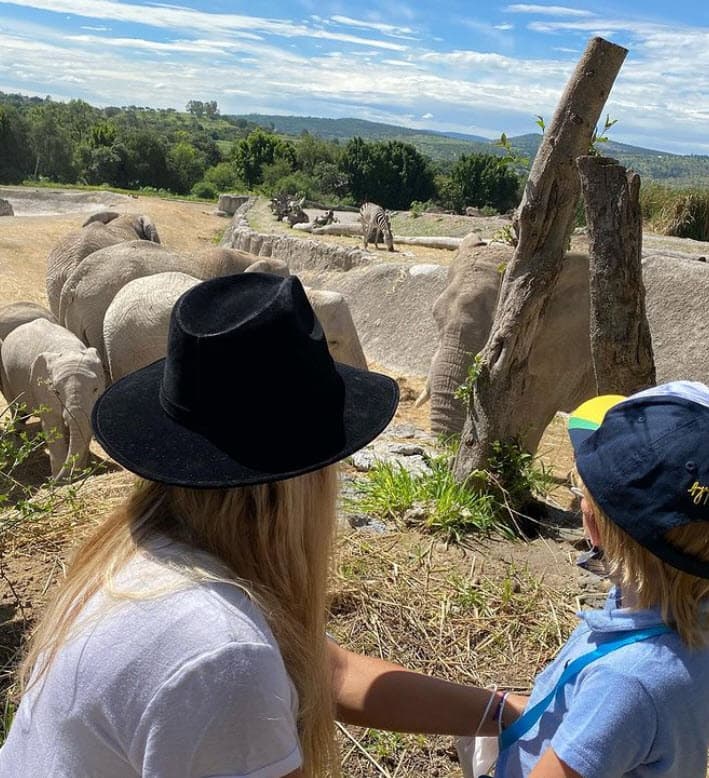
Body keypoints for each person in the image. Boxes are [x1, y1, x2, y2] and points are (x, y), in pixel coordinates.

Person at [0, 272, 524, 778]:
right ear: (302, 482)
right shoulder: (220, 654)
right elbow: (248, 662)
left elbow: (327, 671)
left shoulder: (150, 554)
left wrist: (499, 710)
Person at [494, 381, 709, 778]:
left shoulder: (625, 683)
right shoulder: (675, 613)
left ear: (593, 523)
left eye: (579, 490)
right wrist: (496, 708)